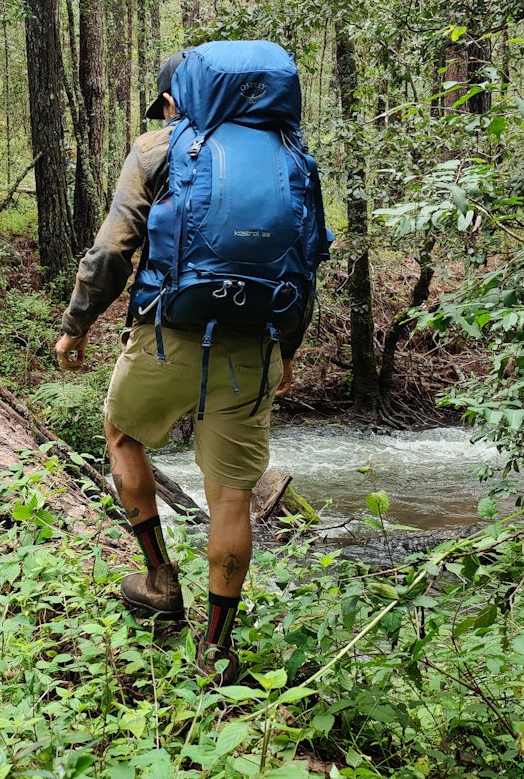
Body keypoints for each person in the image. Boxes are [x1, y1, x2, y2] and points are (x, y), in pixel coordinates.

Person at [53, 49, 307, 684]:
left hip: (168, 333)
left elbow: (113, 250)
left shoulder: (156, 149)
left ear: (174, 101)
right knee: (232, 496)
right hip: (255, 343)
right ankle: (218, 653)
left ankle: (161, 581)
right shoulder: (292, 157)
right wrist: (288, 353)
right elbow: (306, 266)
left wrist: (76, 324)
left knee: (121, 432)